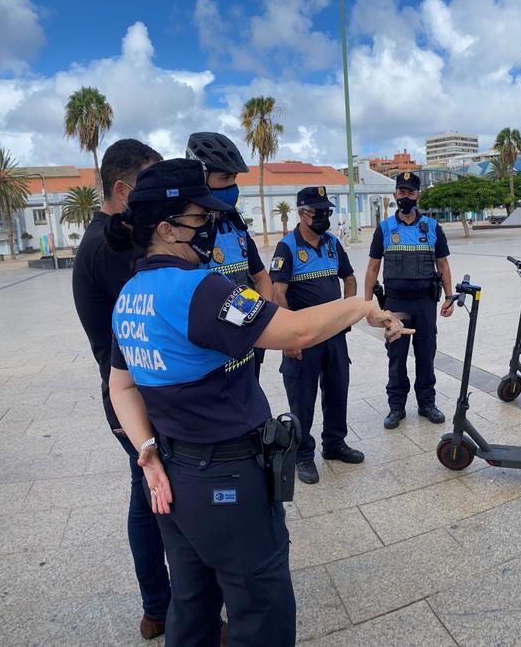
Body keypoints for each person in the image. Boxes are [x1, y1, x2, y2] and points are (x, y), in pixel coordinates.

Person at [106, 159, 409, 646]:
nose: (209, 230)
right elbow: (298, 329)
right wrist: (365, 305)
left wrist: (146, 452)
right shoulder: (198, 290)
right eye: (199, 220)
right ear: (166, 228)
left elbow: (120, 386)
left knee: (192, 602)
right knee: (258, 605)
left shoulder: (130, 296)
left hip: (175, 476)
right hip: (228, 478)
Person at [71, 139, 170, 640]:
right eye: (148, 186)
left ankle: (159, 609)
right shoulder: (106, 248)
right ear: (123, 188)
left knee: (148, 497)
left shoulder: (119, 238)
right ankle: (162, 609)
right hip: (130, 394)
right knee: (151, 500)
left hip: (139, 388)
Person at [270, 187, 365, 484]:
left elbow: (349, 278)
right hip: (304, 339)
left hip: (334, 336)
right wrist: (288, 338)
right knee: (302, 400)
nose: (324, 217)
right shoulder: (286, 248)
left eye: (327, 212)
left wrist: (346, 315)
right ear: (302, 213)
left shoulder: (333, 243)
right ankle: (302, 455)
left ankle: (334, 444)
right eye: (318, 213)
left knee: (338, 391)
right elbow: (278, 293)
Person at [365, 171, 456, 429]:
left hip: (425, 302)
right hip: (395, 305)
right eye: (401, 192)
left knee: (426, 355)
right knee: (397, 357)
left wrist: (449, 297)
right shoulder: (384, 229)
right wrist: (367, 305)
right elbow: (372, 269)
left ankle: (427, 404)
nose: (406, 196)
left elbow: (444, 265)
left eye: (410, 192)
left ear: (418, 195)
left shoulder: (433, 227)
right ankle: (396, 407)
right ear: (395, 194)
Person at [186, 132, 274, 380]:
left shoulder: (235, 226)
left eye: (233, 178)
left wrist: (260, 326)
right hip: (209, 361)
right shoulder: (185, 234)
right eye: (223, 178)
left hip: (247, 350)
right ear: (200, 178)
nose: (231, 187)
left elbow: (262, 278)